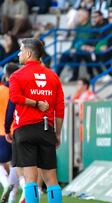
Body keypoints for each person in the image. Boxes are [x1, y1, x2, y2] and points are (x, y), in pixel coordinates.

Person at [8, 38, 65, 203]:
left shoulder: (17, 75)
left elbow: (15, 97)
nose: (18, 54)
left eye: (20, 50)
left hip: (25, 129)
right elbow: (60, 109)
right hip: (47, 128)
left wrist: (34, 103)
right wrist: (57, 133)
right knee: (51, 178)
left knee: (30, 178)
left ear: (28, 53)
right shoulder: (53, 76)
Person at [0, 63, 19, 201]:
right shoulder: (19, 90)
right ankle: (21, 192)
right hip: (18, 131)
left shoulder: (1, 91)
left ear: (6, 74)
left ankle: (6, 184)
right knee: (15, 164)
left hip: (2, 132)